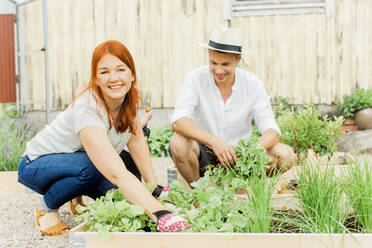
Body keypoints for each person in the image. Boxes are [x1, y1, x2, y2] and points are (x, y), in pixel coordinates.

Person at [17, 40, 190, 236]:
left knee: (125, 202)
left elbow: (137, 143)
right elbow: (116, 171)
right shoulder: (88, 109)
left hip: (75, 161)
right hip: (35, 165)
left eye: (120, 69)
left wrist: (154, 189)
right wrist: (160, 213)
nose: (113, 78)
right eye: (104, 72)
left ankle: (76, 197)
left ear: (132, 75)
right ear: (96, 79)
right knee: (94, 167)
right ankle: (46, 207)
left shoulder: (126, 101)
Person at [169, 25, 296, 184]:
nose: (218, 70)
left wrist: (248, 151)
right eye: (213, 63)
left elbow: (271, 130)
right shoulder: (195, 78)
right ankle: (200, 193)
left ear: (238, 59)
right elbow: (179, 121)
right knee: (178, 143)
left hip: (240, 158)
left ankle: (241, 183)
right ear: (209, 55)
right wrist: (215, 142)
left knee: (285, 154)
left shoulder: (252, 84)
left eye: (226, 64)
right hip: (204, 156)